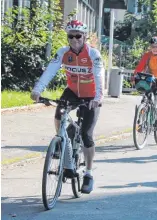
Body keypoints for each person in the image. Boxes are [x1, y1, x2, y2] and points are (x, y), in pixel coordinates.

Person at [31, 20, 104, 194]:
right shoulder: (63, 53)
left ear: (84, 36)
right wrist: (37, 90)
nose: (74, 39)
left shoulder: (93, 54)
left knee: (86, 134)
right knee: (59, 114)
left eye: (78, 36)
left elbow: (99, 74)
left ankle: (88, 173)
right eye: (71, 36)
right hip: (72, 91)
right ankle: (60, 140)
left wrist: (98, 97)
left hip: (91, 95)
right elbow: (50, 70)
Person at [134, 36, 157, 128]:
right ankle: (142, 122)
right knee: (146, 99)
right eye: (153, 46)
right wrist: (134, 76)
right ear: (150, 47)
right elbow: (140, 67)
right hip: (152, 80)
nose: (155, 48)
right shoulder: (147, 55)